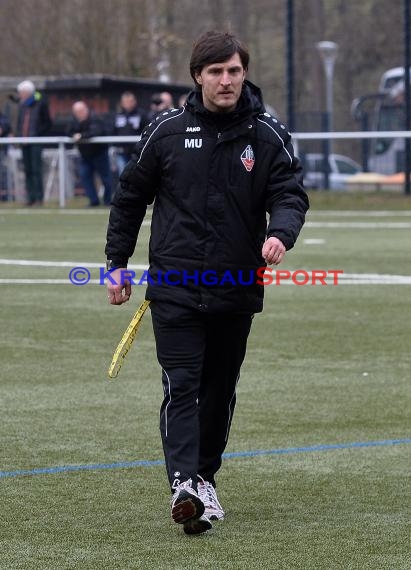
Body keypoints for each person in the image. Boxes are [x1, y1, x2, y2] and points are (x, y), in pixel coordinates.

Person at [105, 30, 309, 535]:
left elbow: (290, 193)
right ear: (198, 76)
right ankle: (183, 485)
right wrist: (116, 262)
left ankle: (203, 479)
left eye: (234, 71)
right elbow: (130, 197)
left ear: (244, 73)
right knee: (183, 384)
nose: (226, 81)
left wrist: (281, 233)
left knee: (219, 391)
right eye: (215, 72)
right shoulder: (167, 131)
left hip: (237, 286)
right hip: (174, 286)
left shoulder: (268, 134)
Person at [67, 101, 112, 207]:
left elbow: (96, 132)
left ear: (86, 109)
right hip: (85, 155)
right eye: (77, 112)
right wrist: (75, 134)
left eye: (81, 111)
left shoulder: (96, 118)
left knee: (106, 178)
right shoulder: (74, 121)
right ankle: (94, 201)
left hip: (99, 153)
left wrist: (81, 136)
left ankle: (108, 201)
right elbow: (68, 131)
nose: (79, 113)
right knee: (85, 176)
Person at [15, 80, 51, 206]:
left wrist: (37, 134)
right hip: (24, 142)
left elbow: (47, 123)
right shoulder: (22, 105)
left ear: (28, 92)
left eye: (22, 93)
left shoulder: (41, 103)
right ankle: (30, 197)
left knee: (36, 170)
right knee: (28, 170)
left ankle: (39, 198)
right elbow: (20, 122)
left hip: (36, 141)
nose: (20, 95)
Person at [113, 91, 149, 174]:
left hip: (137, 152)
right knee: (123, 174)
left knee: (138, 174)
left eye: (130, 101)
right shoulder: (117, 115)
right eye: (126, 102)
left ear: (134, 101)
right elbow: (112, 131)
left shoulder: (142, 114)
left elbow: (147, 130)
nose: (128, 104)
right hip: (121, 152)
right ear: (122, 103)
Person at [0, 111, 11, 201]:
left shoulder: (3, 118)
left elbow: (5, 126)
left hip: (1, 150)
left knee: (2, 173)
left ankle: (3, 197)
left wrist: (2, 128)